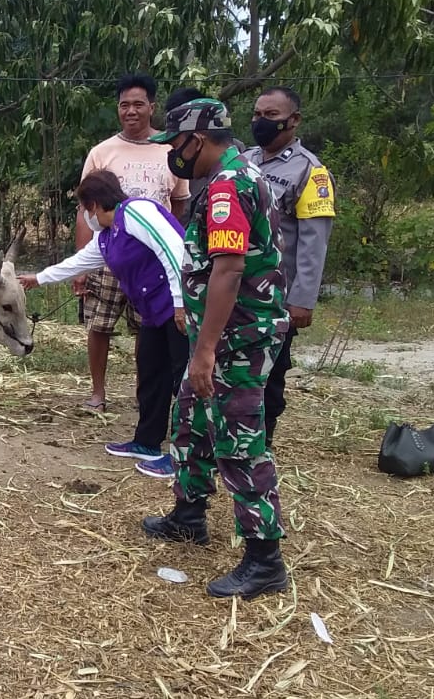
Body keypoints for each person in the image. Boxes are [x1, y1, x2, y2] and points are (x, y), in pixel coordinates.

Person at [142, 98, 291, 599]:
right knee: (190, 419)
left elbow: (229, 269)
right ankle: (188, 515)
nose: (173, 154)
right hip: (219, 334)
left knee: (239, 438)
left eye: (175, 143)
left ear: (197, 140)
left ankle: (264, 558)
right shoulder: (235, 175)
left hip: (237, 338)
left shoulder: (229, 184)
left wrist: (205, 350)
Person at [19, 170, 189, 476]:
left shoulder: (137, 212)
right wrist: (38, 278)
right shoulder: (108, 236)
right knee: (151, 373)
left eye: (85, 209)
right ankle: (147, 442)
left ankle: (186, 457)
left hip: (177, 307)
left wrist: (180, 302)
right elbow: (79, 262)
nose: (85, 216)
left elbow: (173, 249)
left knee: (184, 379)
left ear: (94, 205)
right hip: (152, 310)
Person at [72, 74, 191, 413]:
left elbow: (177, 205)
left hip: (152, 264)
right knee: (99, 325)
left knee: (147, 329)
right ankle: (98, 393)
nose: (131, 111)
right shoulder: (102, 152)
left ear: (152, 107)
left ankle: (145, 393)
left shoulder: (170, 150)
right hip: (109, 256)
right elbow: (85, 209)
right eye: (124, 105)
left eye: (138, 104)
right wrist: (81, 265)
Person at [244, 87, 336, 448]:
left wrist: (303, 300)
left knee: (270, 373)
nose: (261, 122)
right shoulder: (243, 160)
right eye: (257, 114)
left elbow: (315, 241)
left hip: (276, 297)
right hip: (235, 288)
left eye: (271, 116)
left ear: (293, 120)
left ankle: (260, 446)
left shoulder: (311, 172)